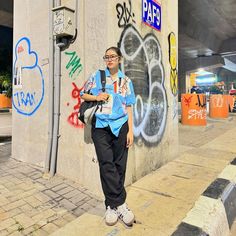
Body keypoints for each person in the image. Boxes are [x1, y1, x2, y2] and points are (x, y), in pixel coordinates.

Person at [80, 47, 136, 226]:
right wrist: (96, 97)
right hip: (101, 127)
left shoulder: (126, 81)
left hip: (120, 127)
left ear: (119, 59)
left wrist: (131, 131)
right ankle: (119, 204)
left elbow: (129, 107)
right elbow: (83, 94)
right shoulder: (97, 76)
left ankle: (111, 204)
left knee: (119, 165)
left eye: (113, 56)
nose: (109, 59)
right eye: (107, 57)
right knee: (106, 164)